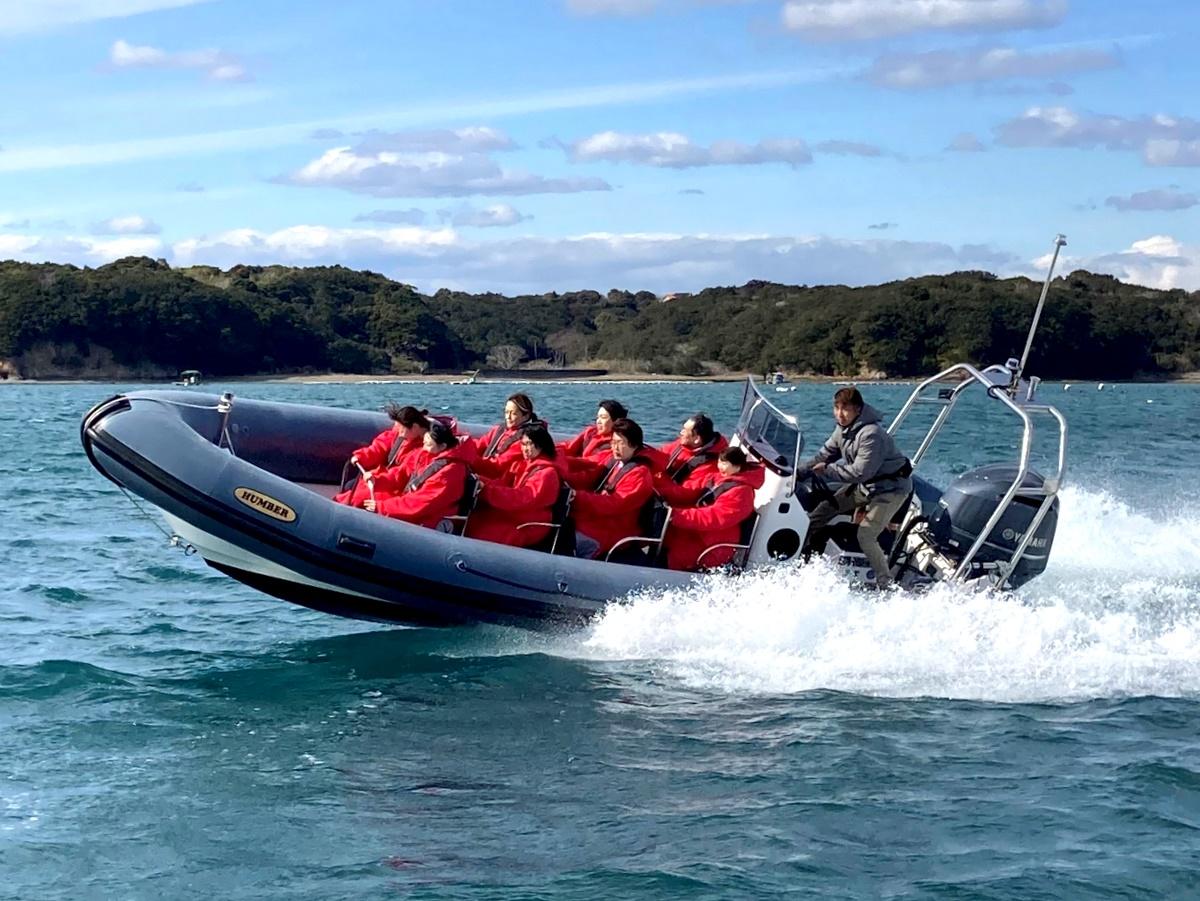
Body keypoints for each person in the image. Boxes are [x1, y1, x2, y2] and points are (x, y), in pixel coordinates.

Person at [797, 387, 912, 589]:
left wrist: (829, 470)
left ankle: (886, 584)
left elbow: (860, 472)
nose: (840, 414)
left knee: (866, 534)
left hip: (890, 490)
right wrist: (797, 473)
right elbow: (823, 455)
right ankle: (800, 560)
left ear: (858, 410)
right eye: (836, 408)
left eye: (845, 409)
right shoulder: (842, 429)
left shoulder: (871, 435)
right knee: (820, 513)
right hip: (866, 487)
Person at [663, 447, 764, 572]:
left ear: (737, 466)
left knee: (674, 555)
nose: (720, 466)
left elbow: (715, 517)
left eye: (725, 463)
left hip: (713, 545)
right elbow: (692, 490)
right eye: (720, 462)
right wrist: (663, 491)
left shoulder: (742, 492)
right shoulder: (718, 478)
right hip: (700, 534)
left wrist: (677, 515)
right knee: (663, 534)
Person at [466, 425, 564, 549]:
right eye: (523, 444)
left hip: (530, 521)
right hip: (515, 513)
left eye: (530, 444)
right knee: (475, 518)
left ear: (541, 445)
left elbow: (524, 498)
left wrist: (487, 491)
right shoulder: (520, 465)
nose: (526, 449)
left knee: (486, 531)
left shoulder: (547, 473)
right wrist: (480, 481)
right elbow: (502, 483)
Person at [571, 418, 655, 560]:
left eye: (620, 443)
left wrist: (579, 497)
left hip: (614, 529)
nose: (615, 447)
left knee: (572, 539)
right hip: (596, 520)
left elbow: (614, 504)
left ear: (634, 445)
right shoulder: (615, 462)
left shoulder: (639, 474)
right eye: (613, 442)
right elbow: (590, 473)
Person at [364, 421, 473, 529]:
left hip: (429, 518)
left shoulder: (451, 473)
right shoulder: (423, 454)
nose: (424, 448)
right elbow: (400, 474)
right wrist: (377, 480)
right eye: (424, 443)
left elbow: (423, 502)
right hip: (410, 504)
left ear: (443, 446)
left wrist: (382, 506)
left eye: (428, 444)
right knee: (362, 496)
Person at [334, 404, 431, 506]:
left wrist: (378, 481)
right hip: (383, 479)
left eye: (402, 430)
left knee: (357, 497)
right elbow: (380, 447)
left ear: (415, 427)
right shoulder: (401, 435)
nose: (400, 433)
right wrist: (361, 456)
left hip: (395, 487)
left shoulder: (425, 450)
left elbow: (402, 475)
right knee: (351, 487)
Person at [652, 412, 728, 504]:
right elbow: (659, 454)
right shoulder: (684, 444)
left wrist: (653, 490)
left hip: (673, 503)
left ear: (697, 439)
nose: (681, 432)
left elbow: (687, 494)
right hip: (660, 485)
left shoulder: (711, 464)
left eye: (684, 430)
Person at [469, 392, 545, 479]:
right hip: (484, 470)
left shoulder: (525, 440)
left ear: (526, 416)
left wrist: (470, 458)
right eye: (506, 412)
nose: (507, 417)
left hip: (498, 480)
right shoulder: (499, 430)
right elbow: (479, 445)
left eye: (513, 413)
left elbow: (498, 467)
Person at [559, 399, 627, 488]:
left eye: (603, 417)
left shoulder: (615, 446)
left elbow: (591, 463)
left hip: (587, 480)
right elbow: (569, 447)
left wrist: (559, 461)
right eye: (598, 417)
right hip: (572, 468)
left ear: (616, 421)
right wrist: (549, 450)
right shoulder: (591, 432)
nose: (598, 421)